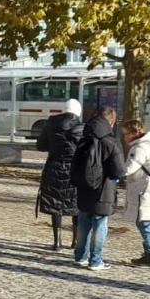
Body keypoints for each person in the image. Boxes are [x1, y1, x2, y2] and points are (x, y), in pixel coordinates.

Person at [73, 106, 126, 270]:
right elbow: (119, 170)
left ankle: (80, 256)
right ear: (111, 122)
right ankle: (95, 260)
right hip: (104, 190)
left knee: (83, 222)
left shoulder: (84, 138)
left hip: (84, 188)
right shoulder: (111, 141)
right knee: (100, 224)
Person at [35, 98, 84, 251]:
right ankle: (76, 241)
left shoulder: (51, 125)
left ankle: (57, 242)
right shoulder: (82, 128)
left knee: (55, 203)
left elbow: (40, 146)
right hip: (75, 169)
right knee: (76, 204)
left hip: (54, 167)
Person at [120, 119, 150, 269]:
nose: (124, 137)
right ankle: (149, 253)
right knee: (145, 222)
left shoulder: (140, 148)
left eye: (126, 134)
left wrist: (114, 171)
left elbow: (128, 169)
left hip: (145, 191)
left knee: (145, 222)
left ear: (134, 133)